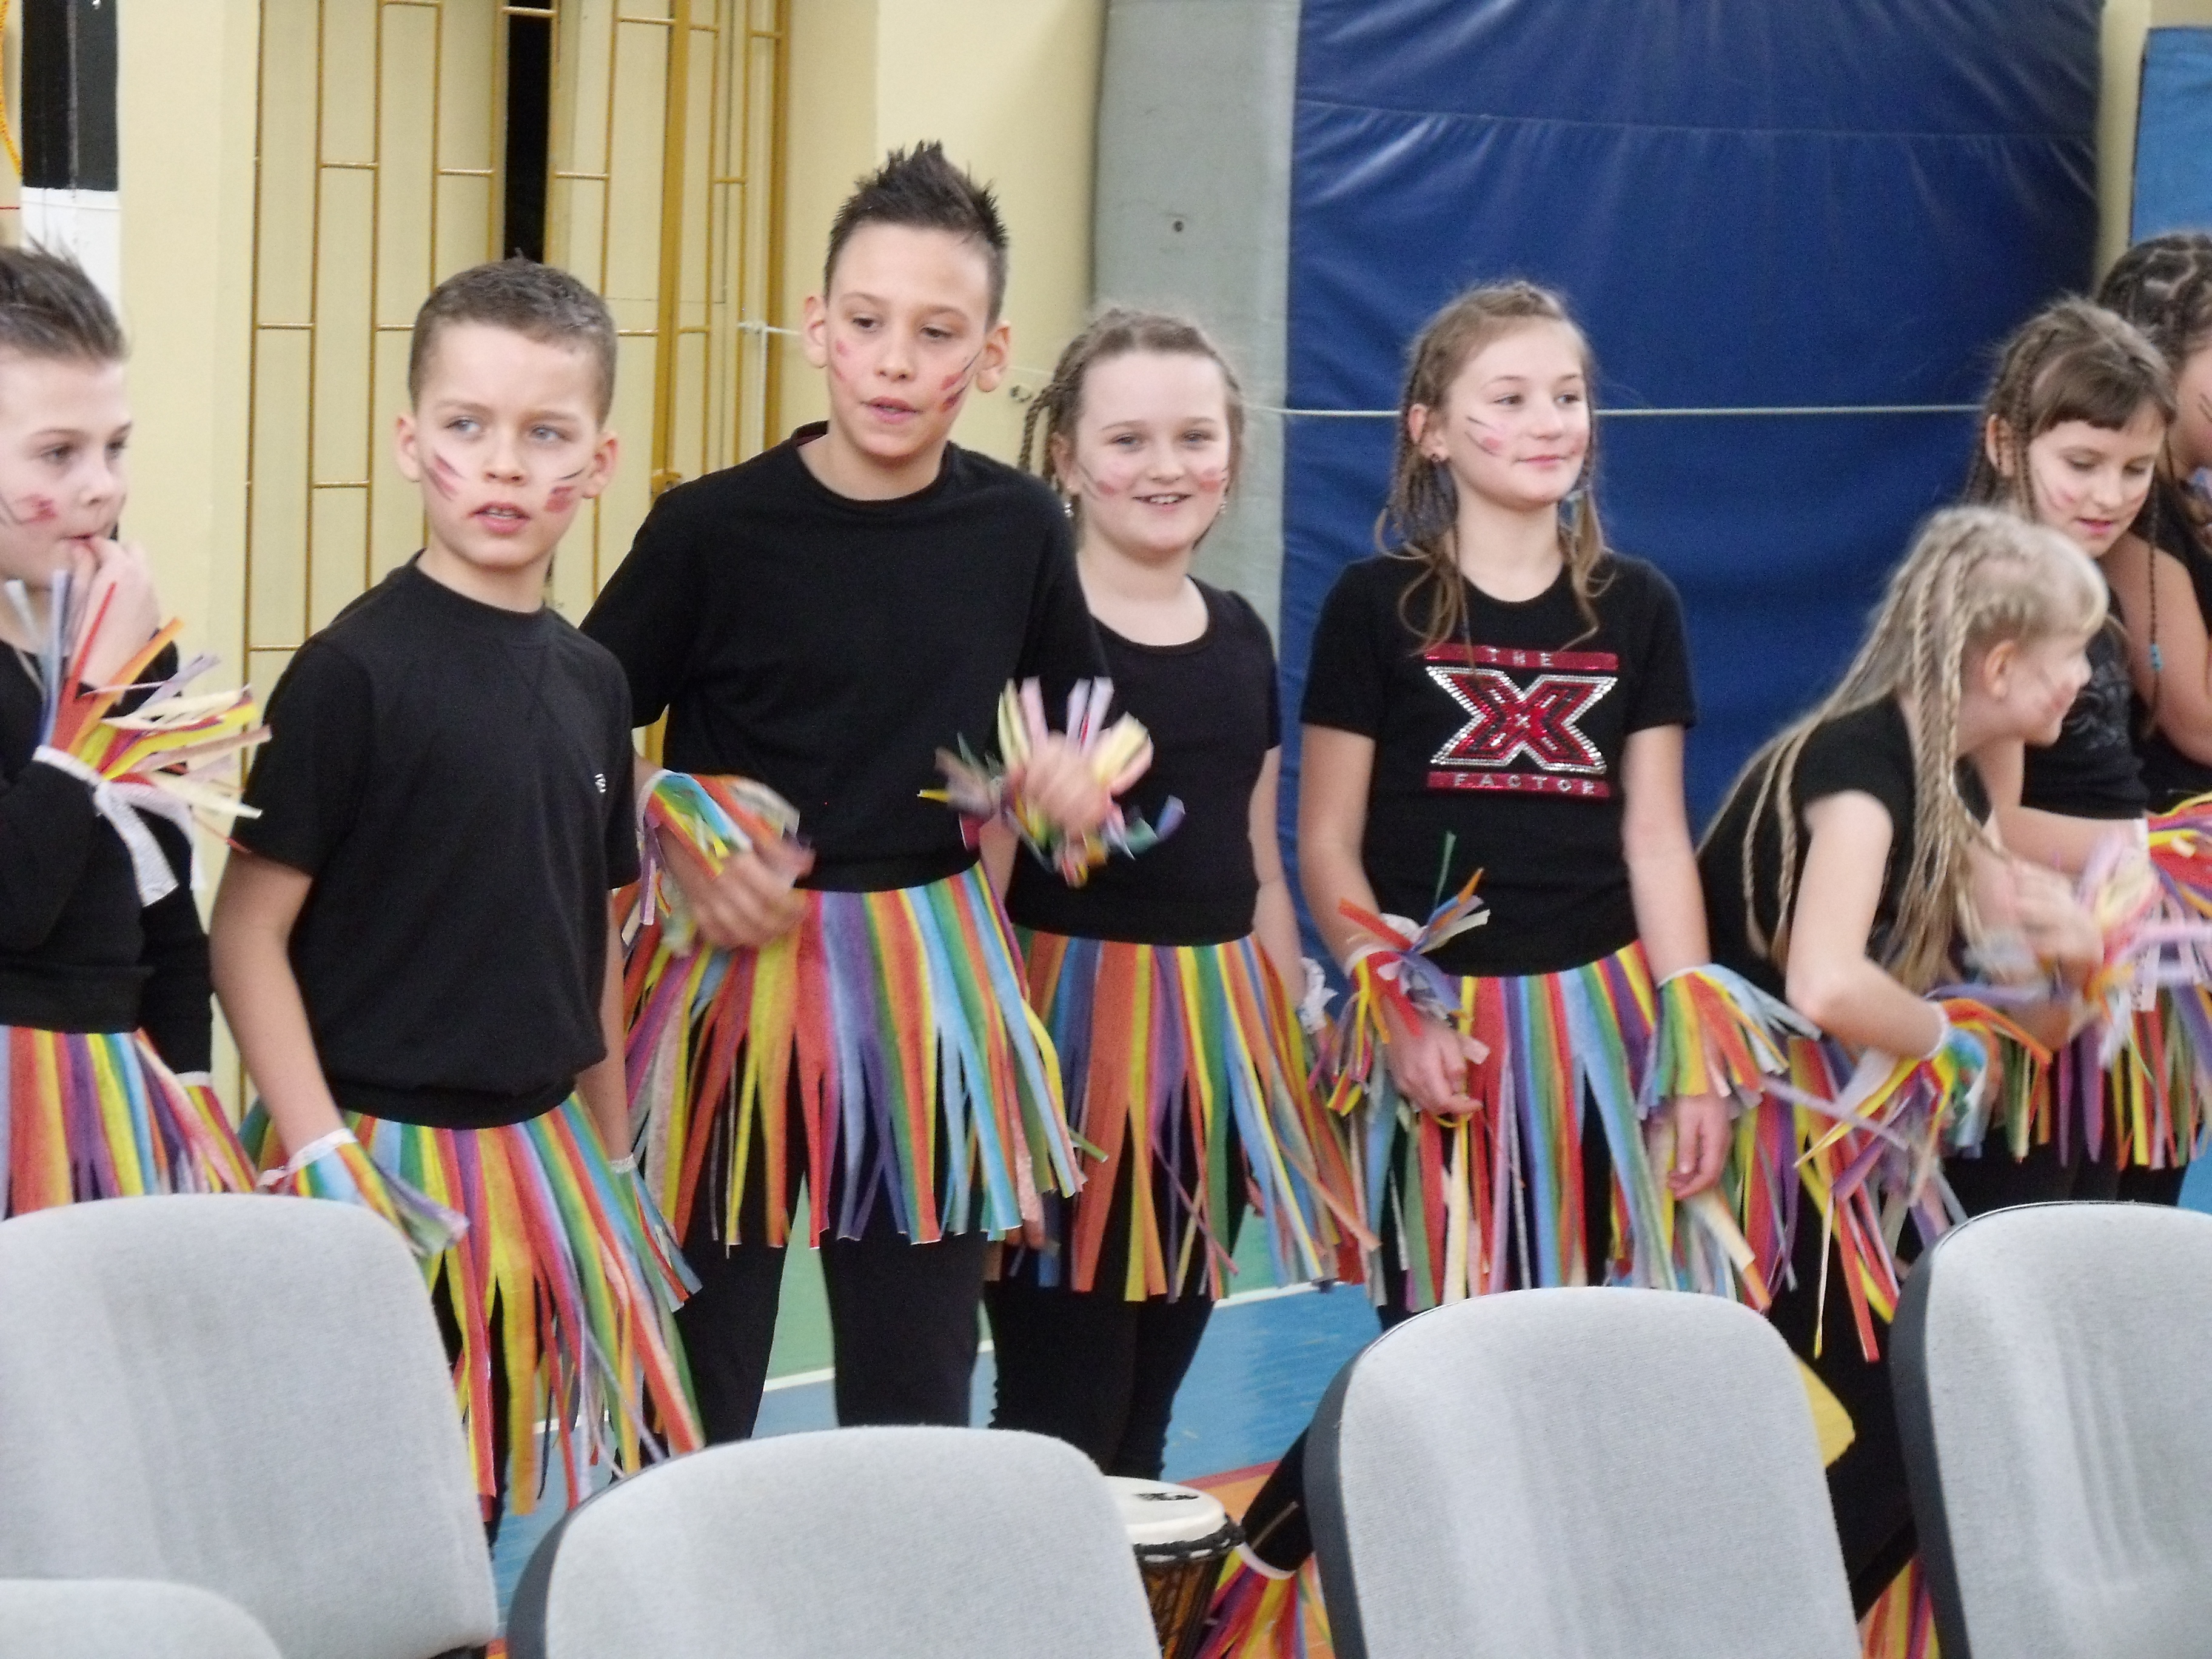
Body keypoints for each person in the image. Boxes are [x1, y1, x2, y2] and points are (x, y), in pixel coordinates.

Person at [1204, 280, 1798, 1657]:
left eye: (1567, 397)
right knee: (1429, 1355)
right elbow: (1328, 843)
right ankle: (1276, 1582)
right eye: (1509, 398)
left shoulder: (1637, 606)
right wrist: (1396, 1005)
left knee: (1573, 1350)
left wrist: (1693, 1051)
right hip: (1441, 1040)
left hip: (1597, 1031)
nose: (1548, 422)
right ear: (1429, 429)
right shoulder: (1375, 606)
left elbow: (1654, 837)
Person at [585, 142, 1115, 1445]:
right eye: (868, 323)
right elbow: (572, 733)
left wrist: (1065, 787)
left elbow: (1077, 748)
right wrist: (670, 825)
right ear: (817, 326)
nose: (893, 361)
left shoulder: (1021, 530)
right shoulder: (710, 530)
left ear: (990, 356)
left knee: (916, 1394)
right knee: (696, 1391)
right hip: (723, 992)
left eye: (936, 332)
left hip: (930, 996)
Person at [210, 260, 699, 1550]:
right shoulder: (350, 673)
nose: (502, 465)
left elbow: (590, 931)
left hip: (537, 1168)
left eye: (544, 434)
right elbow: (245, 932)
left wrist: (611, 1157)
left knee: (480, 1519)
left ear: (598, 463)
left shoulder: (595, 683)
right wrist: (324, 1156)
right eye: (468, 425)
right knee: (354, 1522)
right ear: (409, 439)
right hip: (375, 1162)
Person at [1701, 504, 2106, 1615]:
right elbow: (1826, 983)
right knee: (1888, 1416)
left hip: (1822, 1158)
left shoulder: (1954, 781)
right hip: (1735, 1156)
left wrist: (2076, 966)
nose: (2084, 677)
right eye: (2072, 651)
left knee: (1928, 1415)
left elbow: (2028, 1032)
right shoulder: (1856, 768)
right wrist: (1949, 1045)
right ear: (2000, 665)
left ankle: (1799, 1624)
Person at [980, 308, 1359, 1480]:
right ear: (1064, 457)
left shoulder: (1242, 636)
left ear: (1232, 455)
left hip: (1210, 1061)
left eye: (1194, 437)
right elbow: (977, 880)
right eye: (1128, 439)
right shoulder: (1019, 633)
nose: (1166, 466)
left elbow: (1254, 865)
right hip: (1069, 1060)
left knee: (1147, 1415)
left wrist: (1284, 1056)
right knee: (1063, 1409)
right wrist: (996, 1087)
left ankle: (1121, 1584)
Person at [0, 245, 252, 1216]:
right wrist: (89, 701)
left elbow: (167, 915)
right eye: (57, 454)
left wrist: (188, 1103)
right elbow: (14, 906)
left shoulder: (124, 642)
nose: (101, 485)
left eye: (116, 448)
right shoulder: (107, 661)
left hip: (111, 1110)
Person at [1965, 299, 2200, 1205]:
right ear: (2005, 443)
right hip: (2026, 967)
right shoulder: (1992, 599)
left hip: (2102, 946)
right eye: (2082, 465)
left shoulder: (2080, 589)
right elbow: (1981, 822)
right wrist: (2152, 852)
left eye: (2136, 469)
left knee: (2101, 1211)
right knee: (2025, 1215)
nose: (2111, 496)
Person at [2100, 233, 2212, 818]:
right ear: (2164, 366)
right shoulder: (2129, 513)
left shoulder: (2186, 499)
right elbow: (2200, 725)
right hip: (2178, 824)